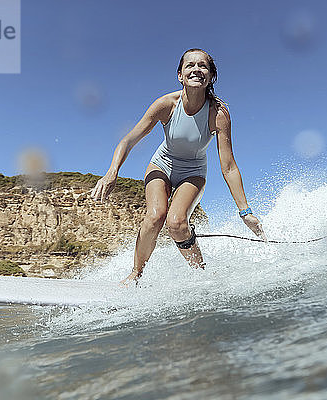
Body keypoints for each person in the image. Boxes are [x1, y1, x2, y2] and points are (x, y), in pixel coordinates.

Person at [91, 48, 266, 285]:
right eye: (190, 65)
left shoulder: (219, 113)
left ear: (211, 76)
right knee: (154, 217)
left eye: (203, 66)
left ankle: (202, 276)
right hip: (162, 164)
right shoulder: (166, 104)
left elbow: (229, 167)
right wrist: (112, 173)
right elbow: (128, 139)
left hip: (193, 171)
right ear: (180, 75)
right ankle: (136, 273)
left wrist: (245, 212)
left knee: (177, 223)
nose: (196, 69)